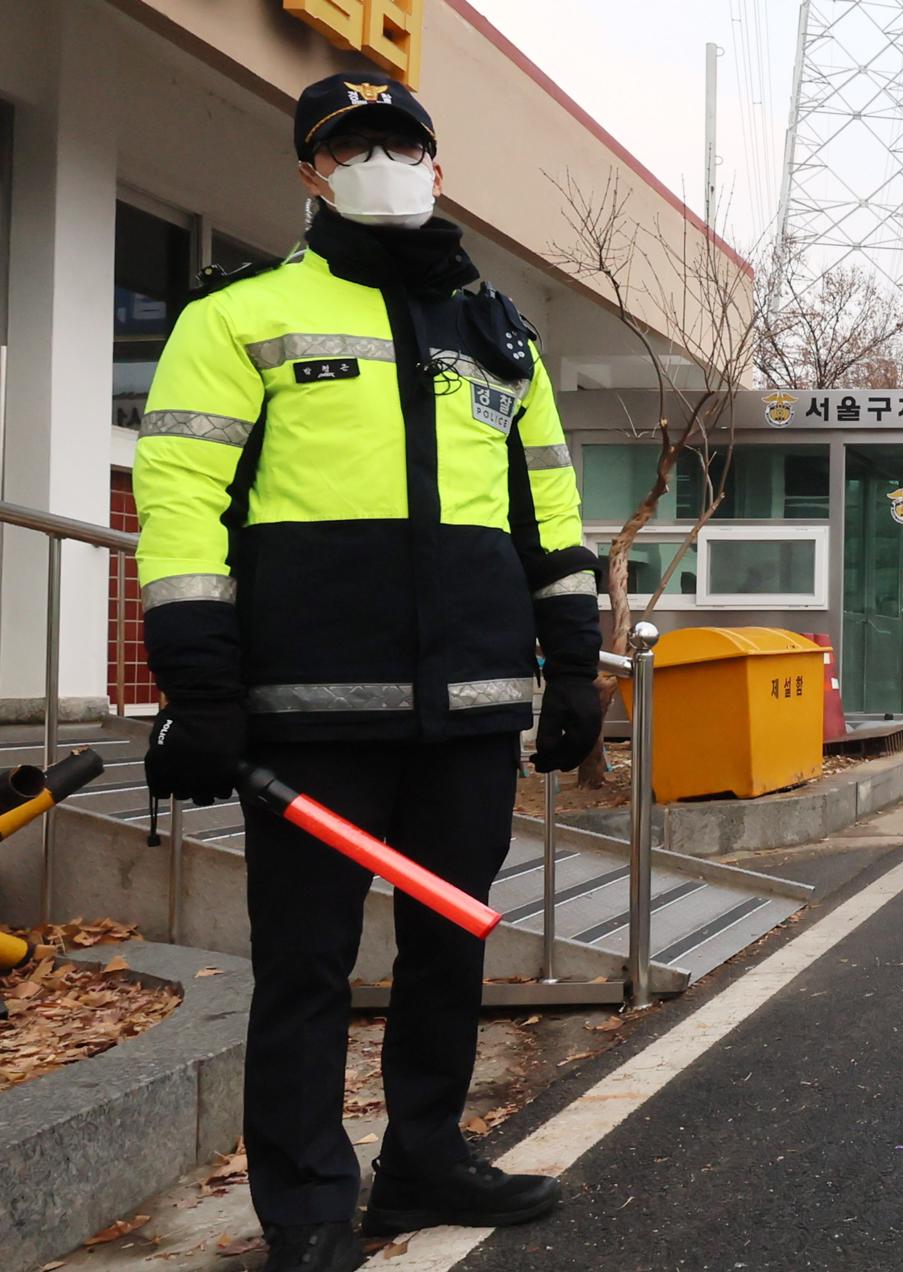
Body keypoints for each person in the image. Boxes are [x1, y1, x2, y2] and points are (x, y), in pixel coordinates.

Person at [134, 72, 602, 1272]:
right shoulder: (238, 316)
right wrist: (200, 688)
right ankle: (302, 1210)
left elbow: (547, 503)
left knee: (452, 943)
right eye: (352, 144)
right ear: (309, 172)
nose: (379, 158)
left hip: (471, 710)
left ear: (437, 167)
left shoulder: (500, 334)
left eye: (400, 140)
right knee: (306, 968)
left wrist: (574, 664)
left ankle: (424, 1163)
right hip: (310, 715)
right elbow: (182, 503)